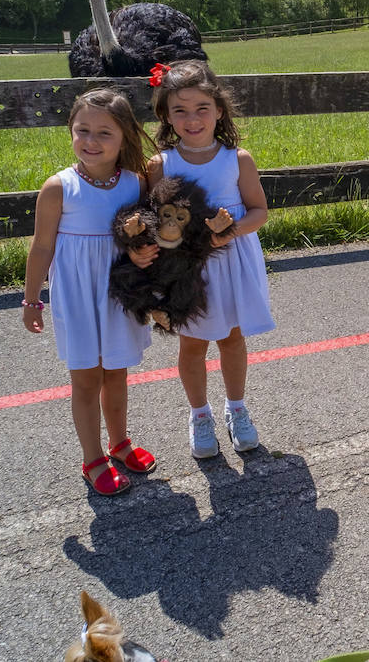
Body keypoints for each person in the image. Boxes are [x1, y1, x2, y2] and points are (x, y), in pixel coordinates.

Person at [131, 61, 275, 458]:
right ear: (165, 115)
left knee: (231, 337)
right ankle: (199, 414)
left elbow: (259, 211)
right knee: (192, 344)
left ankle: (237, 409)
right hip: (187, 269)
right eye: (180, 110)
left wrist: (227, 231)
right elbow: (150, 220)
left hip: (231, 262)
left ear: (219, 109)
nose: (192, 119)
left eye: (201, 108)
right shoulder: (161, 165)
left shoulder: (237, 159)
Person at [23, 88, 158, 497]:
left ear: (124, 138)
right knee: (85, 379)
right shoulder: (58, 187)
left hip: (120, 294)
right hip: (79, 297)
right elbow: (42, 246)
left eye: (104, 133)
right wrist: (31, 300)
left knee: (116, 372)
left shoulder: (136, 184)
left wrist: (144, 258)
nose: (91, 141)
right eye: (82, 131)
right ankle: (92, 456)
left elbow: (145, 239)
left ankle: (119, 443)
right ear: (70, 131)